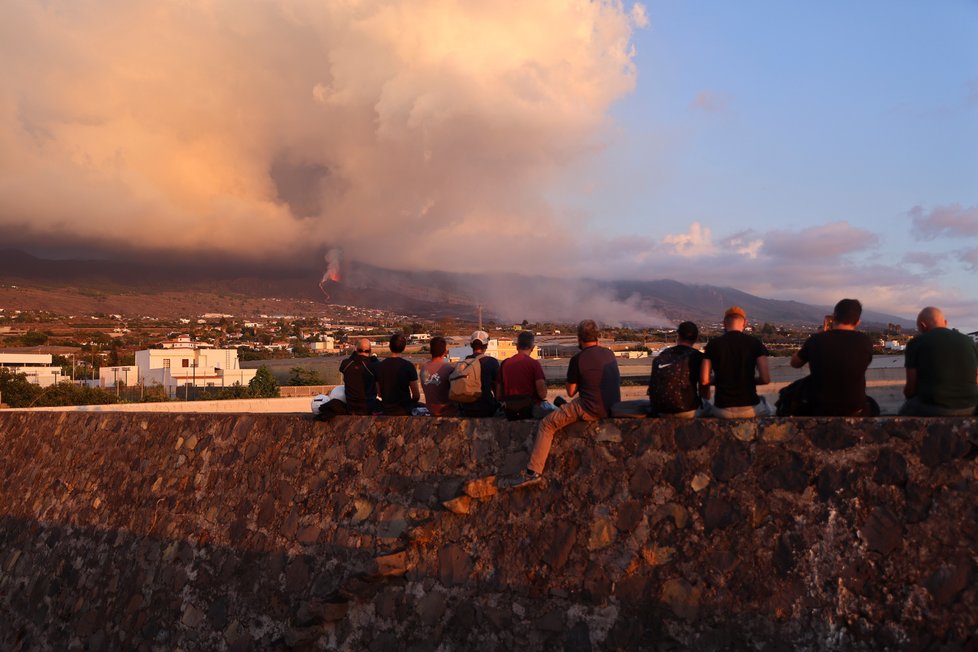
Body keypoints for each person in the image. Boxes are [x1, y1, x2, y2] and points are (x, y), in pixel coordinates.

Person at [504, 319, 620, 488]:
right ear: (598, 337)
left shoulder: (578, 359)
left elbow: (571, 391)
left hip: (589, 407)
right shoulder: (609, 354)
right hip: (612, 406)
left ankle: (533, 472)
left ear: (579, 339)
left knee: (547, 424)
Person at [789, 298, 876, 416]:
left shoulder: (816, 340)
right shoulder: (865, 342)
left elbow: (795, 363)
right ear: (857, 322)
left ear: (834, 316)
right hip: (854, 409)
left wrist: (817, 338)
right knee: (874, 406)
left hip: (819, 408)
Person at [899, 306, 978, 416]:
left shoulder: (916, 343)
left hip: (934, 408)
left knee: (903, 414)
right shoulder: (968, 341)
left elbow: (910, 389)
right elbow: (976, 378)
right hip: (971, 406)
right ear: (945, 322)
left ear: (923, 325)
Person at [701, 306, 772, 417]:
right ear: (745, 323)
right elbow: (765, 379)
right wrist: (746, 380)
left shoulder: (713, 344)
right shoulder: (755, 343)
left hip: (721, 409)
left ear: (724, 323)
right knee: (768, 408)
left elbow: (704, 380)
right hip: (750, 407)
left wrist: (722, 380)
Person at [648, 321, 707, 418]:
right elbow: (703, 387)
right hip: (686, 409)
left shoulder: (663, 354)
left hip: (659, 409)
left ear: (678, 336)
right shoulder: (697, 356)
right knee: (709, 406)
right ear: (696, 338)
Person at [321, 338, 380, 417]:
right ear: (370, 350)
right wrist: (374, 359)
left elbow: (351, 361)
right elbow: (378, 367)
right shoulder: (373, 365)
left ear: (356, 349)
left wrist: (356, 353)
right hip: (368, 406)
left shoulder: (346, 364)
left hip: (351, 407)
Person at [497, 331, 549, 420]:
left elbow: (498, 395)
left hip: (509, 412)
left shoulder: (505, 364)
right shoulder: (534, 364)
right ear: (532, 348)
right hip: (529, 411)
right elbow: (542, 394)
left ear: (517, 346)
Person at [458, 330, 501, 417]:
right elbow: (497, 388)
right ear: (486, 346)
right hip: (487, 408)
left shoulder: (464, 363)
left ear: (471, 345)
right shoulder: (491, 362)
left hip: (467, 408)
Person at [377, 333, 420, 416]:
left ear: (390, 346)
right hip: (404, 410)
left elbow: (379, 394)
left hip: (386, 409)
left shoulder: (380, 366)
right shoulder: (408, 366)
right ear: (404, 348)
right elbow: (416, 395)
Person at [420, 336, 457, 417]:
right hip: (446, 411)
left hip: (431, 410)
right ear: (445, 351)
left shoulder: (423, 368)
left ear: (430, 351)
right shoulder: (449, 369)